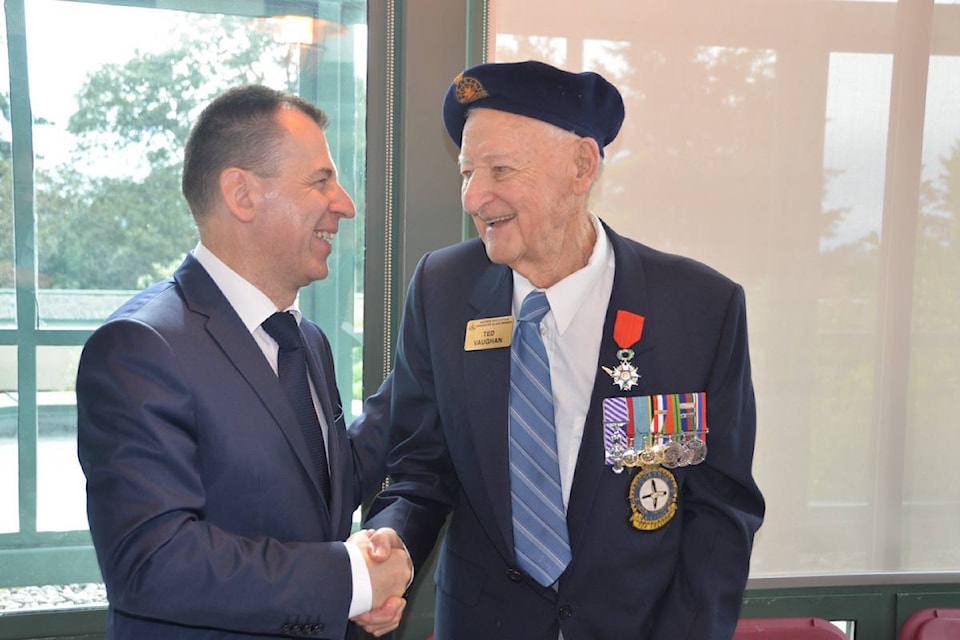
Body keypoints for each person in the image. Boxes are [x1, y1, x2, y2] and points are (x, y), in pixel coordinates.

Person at [359, 60, 765, 639]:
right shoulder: (443, 289)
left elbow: (721, 509)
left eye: (499, 169)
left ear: (581, 166)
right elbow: (420, 468)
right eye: (467, 171)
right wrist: (390, 547)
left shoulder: (700, 308)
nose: (475, 196)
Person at [77, 84, 410, 640]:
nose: (346, 205)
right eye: (321, 181)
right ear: (242, 194)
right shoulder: (139, 347)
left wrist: (428, 359)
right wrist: (348, 579)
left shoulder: (306, 339)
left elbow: (323, 484)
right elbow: (153, 561)